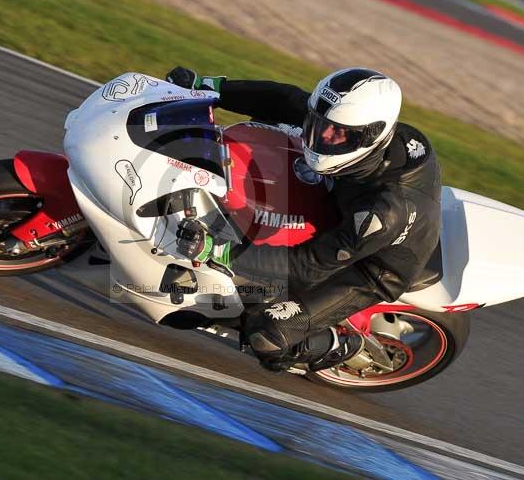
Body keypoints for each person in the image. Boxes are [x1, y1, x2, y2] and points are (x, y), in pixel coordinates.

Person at [168, 66, 442, 372]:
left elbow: (306, 265)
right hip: (343, 202)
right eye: (318, 124)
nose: (321, 135)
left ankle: (345, 345)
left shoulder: (383, 213)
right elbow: (288, 100)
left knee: (268, 335)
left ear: (369, 136)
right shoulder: (352, 127)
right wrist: (211, 87)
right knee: (265, 134)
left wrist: (219, 252)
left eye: (335, 133)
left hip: (369, 267)